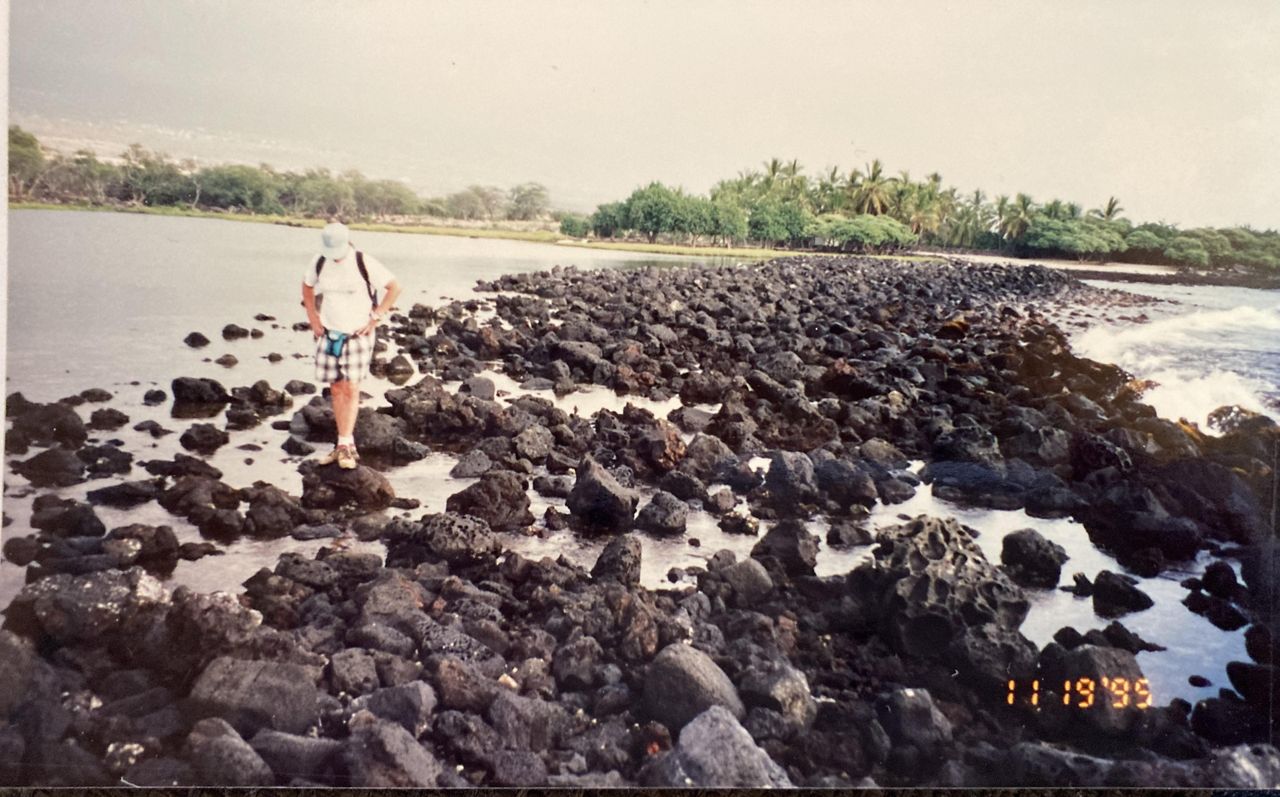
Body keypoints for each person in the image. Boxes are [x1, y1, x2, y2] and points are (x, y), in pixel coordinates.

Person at [301, 222, 402, 469]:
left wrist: (376, 317)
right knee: (335, 388)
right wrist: (313, 318)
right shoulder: (319, 261)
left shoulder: (363, 262)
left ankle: (345, 445)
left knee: (351, 387)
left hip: (357, 335)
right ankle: (342, 444)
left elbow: (394, 287)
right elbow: (307, 286)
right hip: (328, 333)